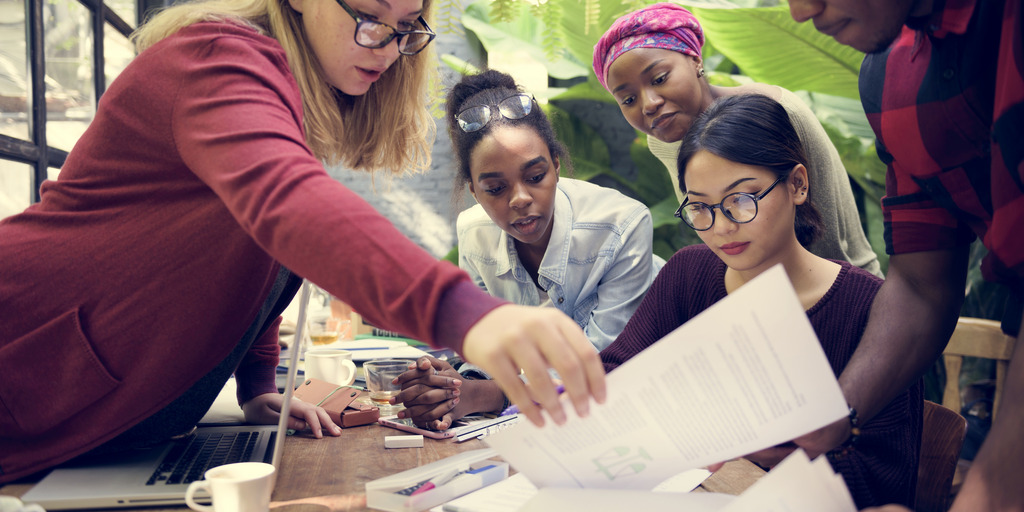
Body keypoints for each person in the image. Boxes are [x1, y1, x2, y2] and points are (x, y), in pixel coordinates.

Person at [0, 0, 606, 484]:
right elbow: (286, 204)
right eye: (369, 19)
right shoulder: (215, 60)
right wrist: (470, 317)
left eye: (404, 28)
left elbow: (251, 246)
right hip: (26, 350)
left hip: (104, 419)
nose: (389, 49)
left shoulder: (284, 93)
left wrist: (259, 386)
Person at [600, 94, 920, 509]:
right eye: (700, 207)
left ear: (797, 184)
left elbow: (888, 480)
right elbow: (617, 373)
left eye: (741, 199)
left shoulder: (871, 309)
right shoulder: (688, 274)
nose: (721, 227)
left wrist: (767, 455)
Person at [775, 1, 1024, 511]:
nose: (802, 11)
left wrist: (990, 491)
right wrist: (837, 412)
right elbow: (920, 284)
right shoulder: (891, 77)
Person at [390, 69, 661, 428]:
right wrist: (454, 386)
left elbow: (602, 364)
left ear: (556, 166)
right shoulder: (474, 232)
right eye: (495, 189)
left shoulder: (621, 226)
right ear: (473, 190)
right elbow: (489, 345)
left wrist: (487, 395)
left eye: (535, 178)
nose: (520, 199)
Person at [592, 2, 881, 278]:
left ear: (695, 60)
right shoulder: (664, 138)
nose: (649, 104)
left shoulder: (774, 113)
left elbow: (825, 230)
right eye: (628, 99)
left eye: (659, 79)